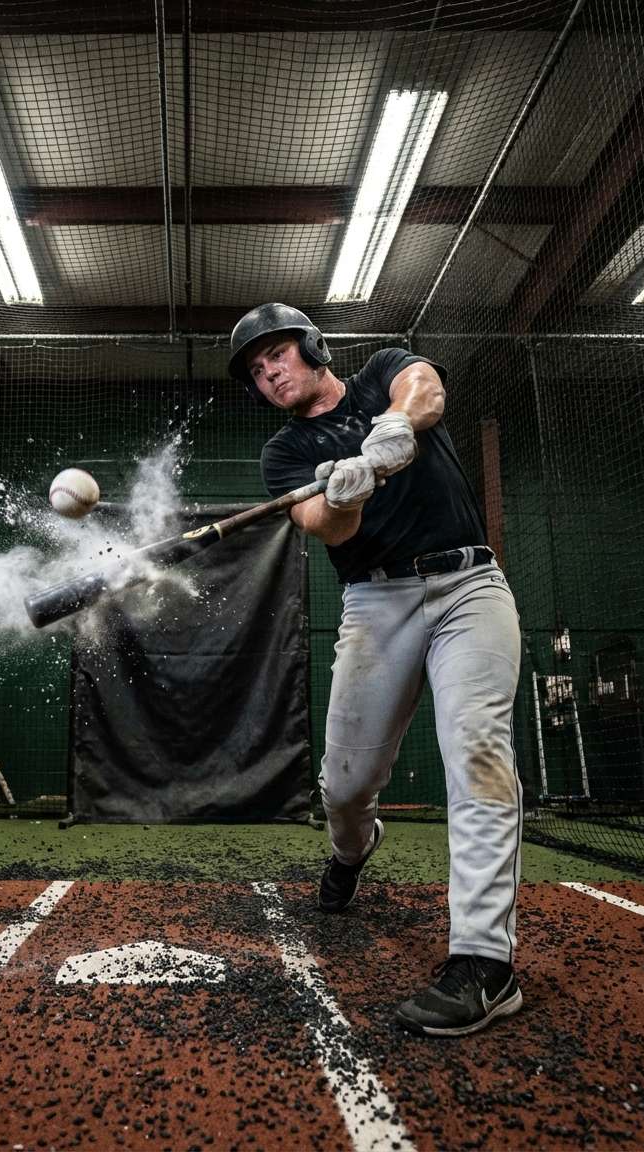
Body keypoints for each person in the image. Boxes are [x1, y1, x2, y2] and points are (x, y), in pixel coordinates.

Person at [228, 302, 524, 1037]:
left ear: (312, 345)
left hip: (470, 587)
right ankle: (351, 850)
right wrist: (345, 494)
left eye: (277, 354)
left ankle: (485, 964)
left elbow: (424, 390)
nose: (269, 372)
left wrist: (390, 432)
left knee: (478, 752)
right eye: (257, 371)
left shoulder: (382, 372)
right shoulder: (284, 456)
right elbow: (324, 528)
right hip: (375, 601)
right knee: (347, 783)